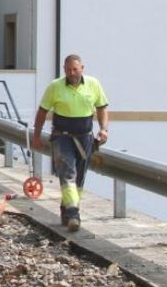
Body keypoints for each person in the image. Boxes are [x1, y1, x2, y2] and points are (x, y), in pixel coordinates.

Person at [32, 54, 109, 232]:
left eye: (75, 69)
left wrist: (104, 129)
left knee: (79, 178)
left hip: (85, 137)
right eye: (67, 70)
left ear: (82, 68)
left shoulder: (93, 84)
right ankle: (74, 213)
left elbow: (102, 108)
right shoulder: (55, 87)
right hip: (62, 137)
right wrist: (36, 136)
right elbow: (42, 112)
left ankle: (67, 209)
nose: (71, 73)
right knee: (68, 173)